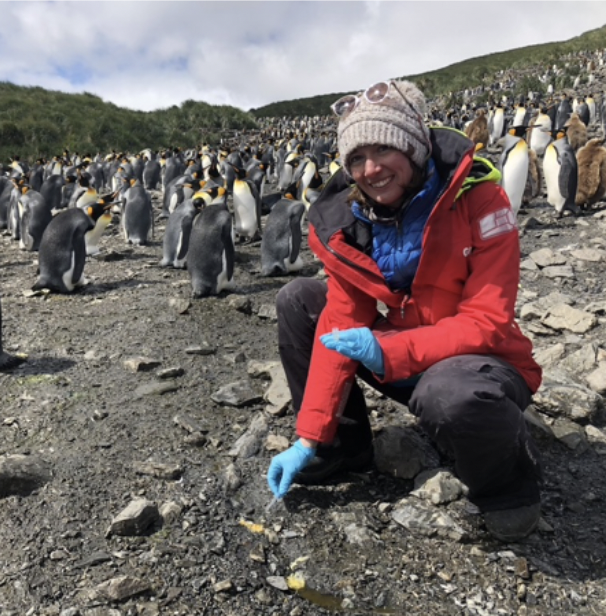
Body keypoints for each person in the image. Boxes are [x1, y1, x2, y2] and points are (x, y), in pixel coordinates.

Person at [266, 79, 543, 543]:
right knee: (298, 299)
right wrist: (310, 435)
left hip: (483, 365)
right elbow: (341, 320)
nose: (370, 169)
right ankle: (341, 449)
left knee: (449, 393)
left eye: (383, 149)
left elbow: (487, 320)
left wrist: (388, 352)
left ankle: (509, 484)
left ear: (412, 148)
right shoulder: (355, 221)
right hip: (407, 359)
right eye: (356, 158)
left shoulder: (477, 198)